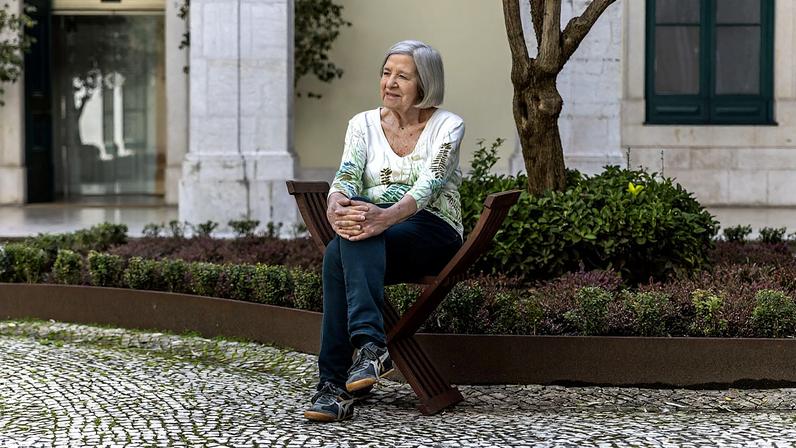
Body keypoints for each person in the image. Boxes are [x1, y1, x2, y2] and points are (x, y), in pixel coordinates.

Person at [303, 40, 465, 422]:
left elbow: (430, 184)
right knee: (342, 247)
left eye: (402, 76)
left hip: (432, 228)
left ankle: (336, 383)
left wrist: (384, 217)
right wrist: (335, 202)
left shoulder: (448, 125)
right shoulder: (361, 124)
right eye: (386, 73)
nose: (390, 82)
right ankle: (368, 352)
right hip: (377, 233)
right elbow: (347, 173)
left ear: (425, 83)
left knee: (346, 245)